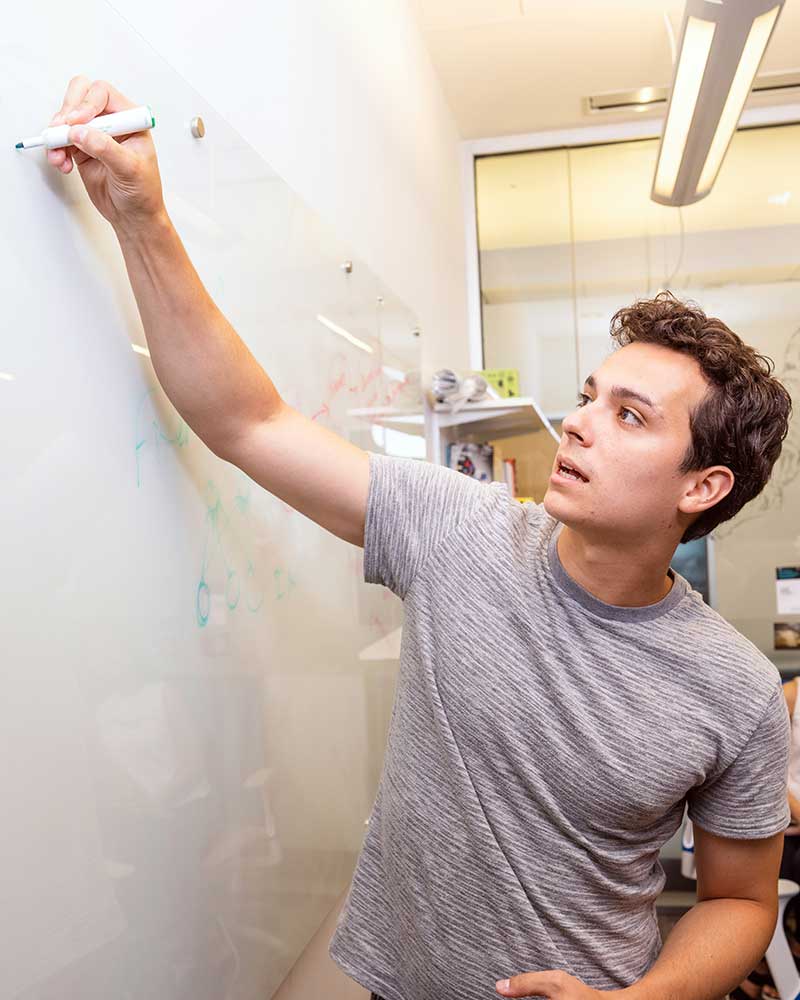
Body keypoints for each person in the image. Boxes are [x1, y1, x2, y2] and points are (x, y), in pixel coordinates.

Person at [48, 76, 794, 1000]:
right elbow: (247, 422)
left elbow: (740, 902)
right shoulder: (460, 530)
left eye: (631, 416)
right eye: (590, 396)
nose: (579, 424)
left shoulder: (736, 689)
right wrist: (142, 216)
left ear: (702, 485)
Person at [733, 677, 800, 1000]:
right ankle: (758, 975)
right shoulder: (788, 698)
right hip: (782, 827)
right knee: (766, 909)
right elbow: (766, 772)